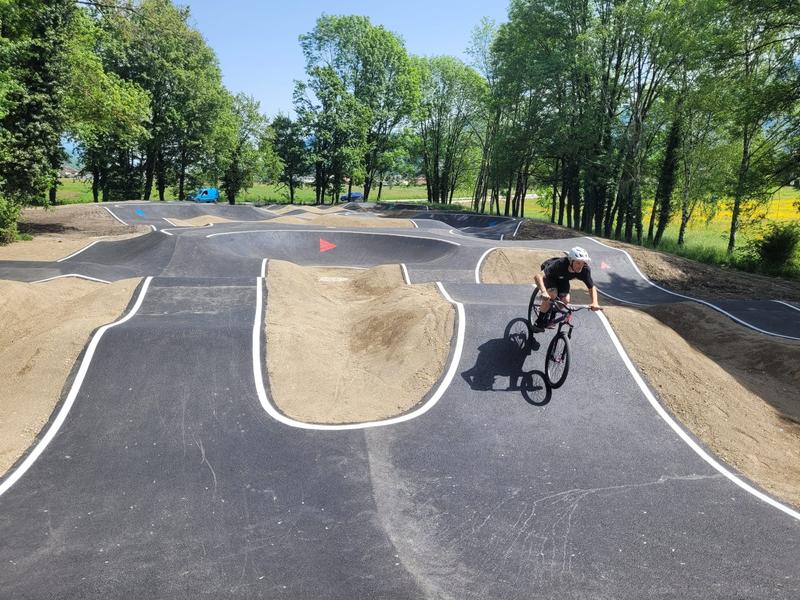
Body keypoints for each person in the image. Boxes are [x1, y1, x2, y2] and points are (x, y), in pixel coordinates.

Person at [532, 246, 603, 332]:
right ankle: (539, 320)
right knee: (552, 294)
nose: (580, 266)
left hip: (563, 278)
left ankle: (552, 313)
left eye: (583, 263)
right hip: (550, 276)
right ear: (570, 261)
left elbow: (591, 287)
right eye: (578, 263)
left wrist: (595, 302)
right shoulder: (560, 264)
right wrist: (544, 292)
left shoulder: (584, 270)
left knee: (565, 300)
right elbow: (537, 276)